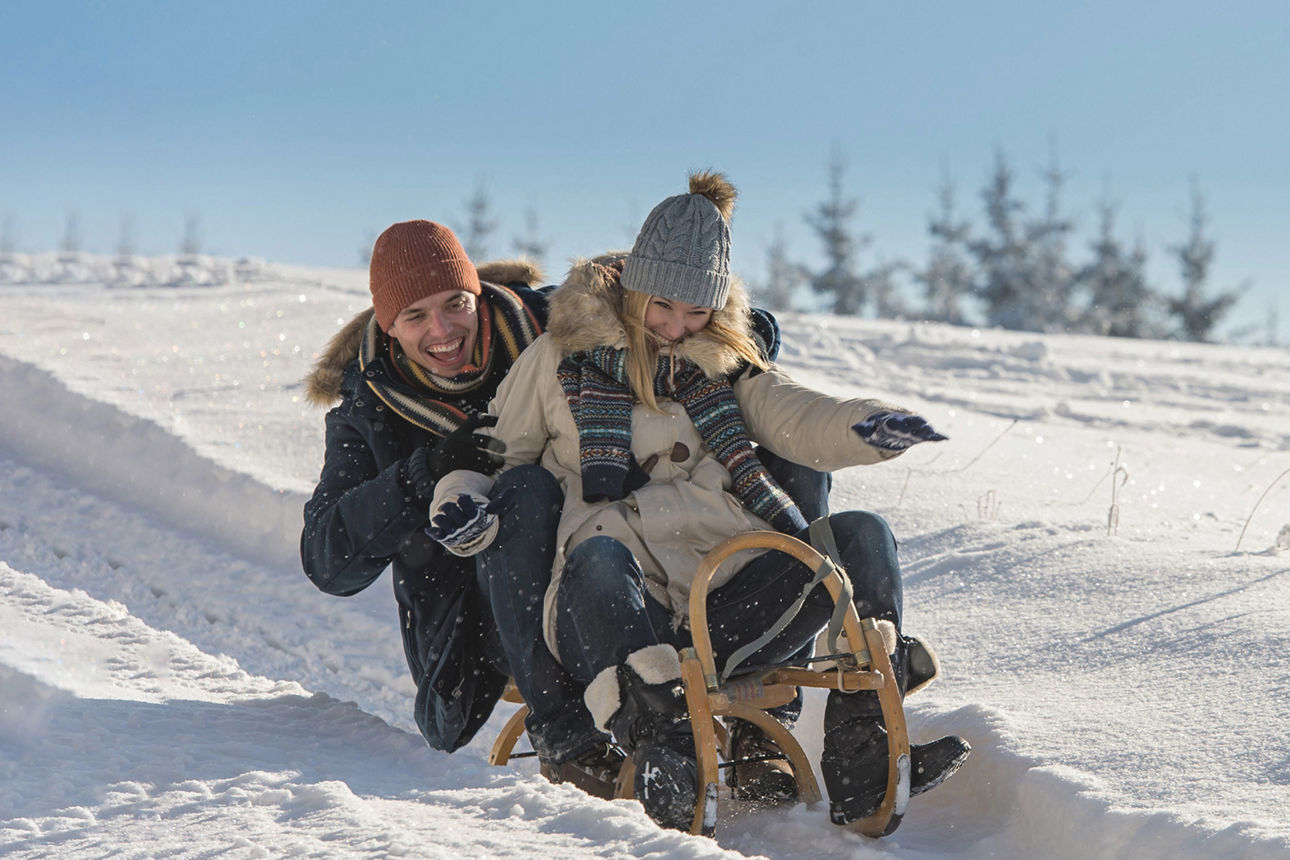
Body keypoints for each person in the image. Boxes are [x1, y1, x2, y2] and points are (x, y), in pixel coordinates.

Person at [426, 173, 971, 833]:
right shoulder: (556, 359)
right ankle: (666, 750)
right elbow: (494, 458)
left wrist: (868, 425)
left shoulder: (725, 362)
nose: (679, 328)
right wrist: (458, 499)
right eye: (664, 308)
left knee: (860, 535)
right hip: (613, 611)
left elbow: (795, 413)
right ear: (634, 289)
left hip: (724, 601)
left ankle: (863, 748)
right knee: (596, 555)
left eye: (697, 313)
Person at [300, 220, 624, 796]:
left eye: (456, 304)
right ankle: (568, 738)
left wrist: (749, 333)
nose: (443, 330)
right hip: (486, 611)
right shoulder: (370, 409)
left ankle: (755, 715)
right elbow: (327, 560)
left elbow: (678, 314)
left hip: (612, 553)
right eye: (416, 316)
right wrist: (420, 473)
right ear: (388, 325)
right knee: (521, 490)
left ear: (477, 293)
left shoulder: (553, 325)